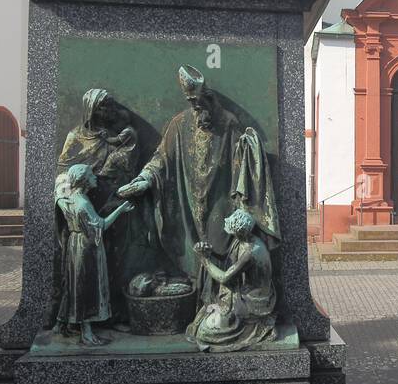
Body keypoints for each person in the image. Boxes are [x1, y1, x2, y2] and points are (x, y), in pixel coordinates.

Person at [117, 65, 280, 286]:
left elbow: (243, 165)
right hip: (188, 206)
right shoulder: (179, 125)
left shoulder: (228, 123)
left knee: (220, 249)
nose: (196, 107)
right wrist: (145, 178)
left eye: (198, 100)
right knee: (190, 253)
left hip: (220, 203)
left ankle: (218, 298)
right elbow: (161, 158)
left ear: (208, 96)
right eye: (191, 102)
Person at [53, 164, 134, 346]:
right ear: (83, 180)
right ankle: (86, 333)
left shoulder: (68, 197)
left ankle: (61, 324)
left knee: (75, 284)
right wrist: (121, 209)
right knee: (87, 286)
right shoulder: (82, 203)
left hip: (75, 244)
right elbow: (101, 225)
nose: (95, 177)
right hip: (86, 247)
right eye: (91, 175)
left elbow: (58, 196)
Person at [186, 208, 277, 350]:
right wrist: (209, 254)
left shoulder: (251, 252)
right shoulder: (243, 240)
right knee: (203, 322)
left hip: (254, 301)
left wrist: (204, 259)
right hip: (243, 291)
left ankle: (251, 325)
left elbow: (224, 278)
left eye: (232, 232)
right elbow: (229, 264)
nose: (231, 234)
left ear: (238, 232)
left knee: (206, 332)